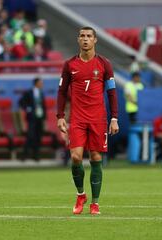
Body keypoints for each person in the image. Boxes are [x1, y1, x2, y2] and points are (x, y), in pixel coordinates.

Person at [57, 26, 119, 215]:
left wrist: (114, 118)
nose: (85, 39)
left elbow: (112, 92)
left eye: (89, 36)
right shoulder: (69, 65)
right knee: (75, 157)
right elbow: (61, 92)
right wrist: (60, 116)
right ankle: (80, 194)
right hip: (77, 118)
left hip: (98, 119)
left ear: (95, 40)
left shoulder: (104, 64)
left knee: (96, 158)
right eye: (82, 36)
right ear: (78, 40)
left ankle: (95, 203)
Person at [19, 77, 46, 161]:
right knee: (30, 136)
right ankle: (24, 155)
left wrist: (44, 117)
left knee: (38, 136)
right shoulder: (29, 92)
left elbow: (43, 106)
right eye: (40, 83)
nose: (42, 84)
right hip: (32, 118)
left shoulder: (41, 93)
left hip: (40, 117)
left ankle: (36, 155)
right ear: (36, 83)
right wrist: (28, 108)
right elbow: (21, 102)